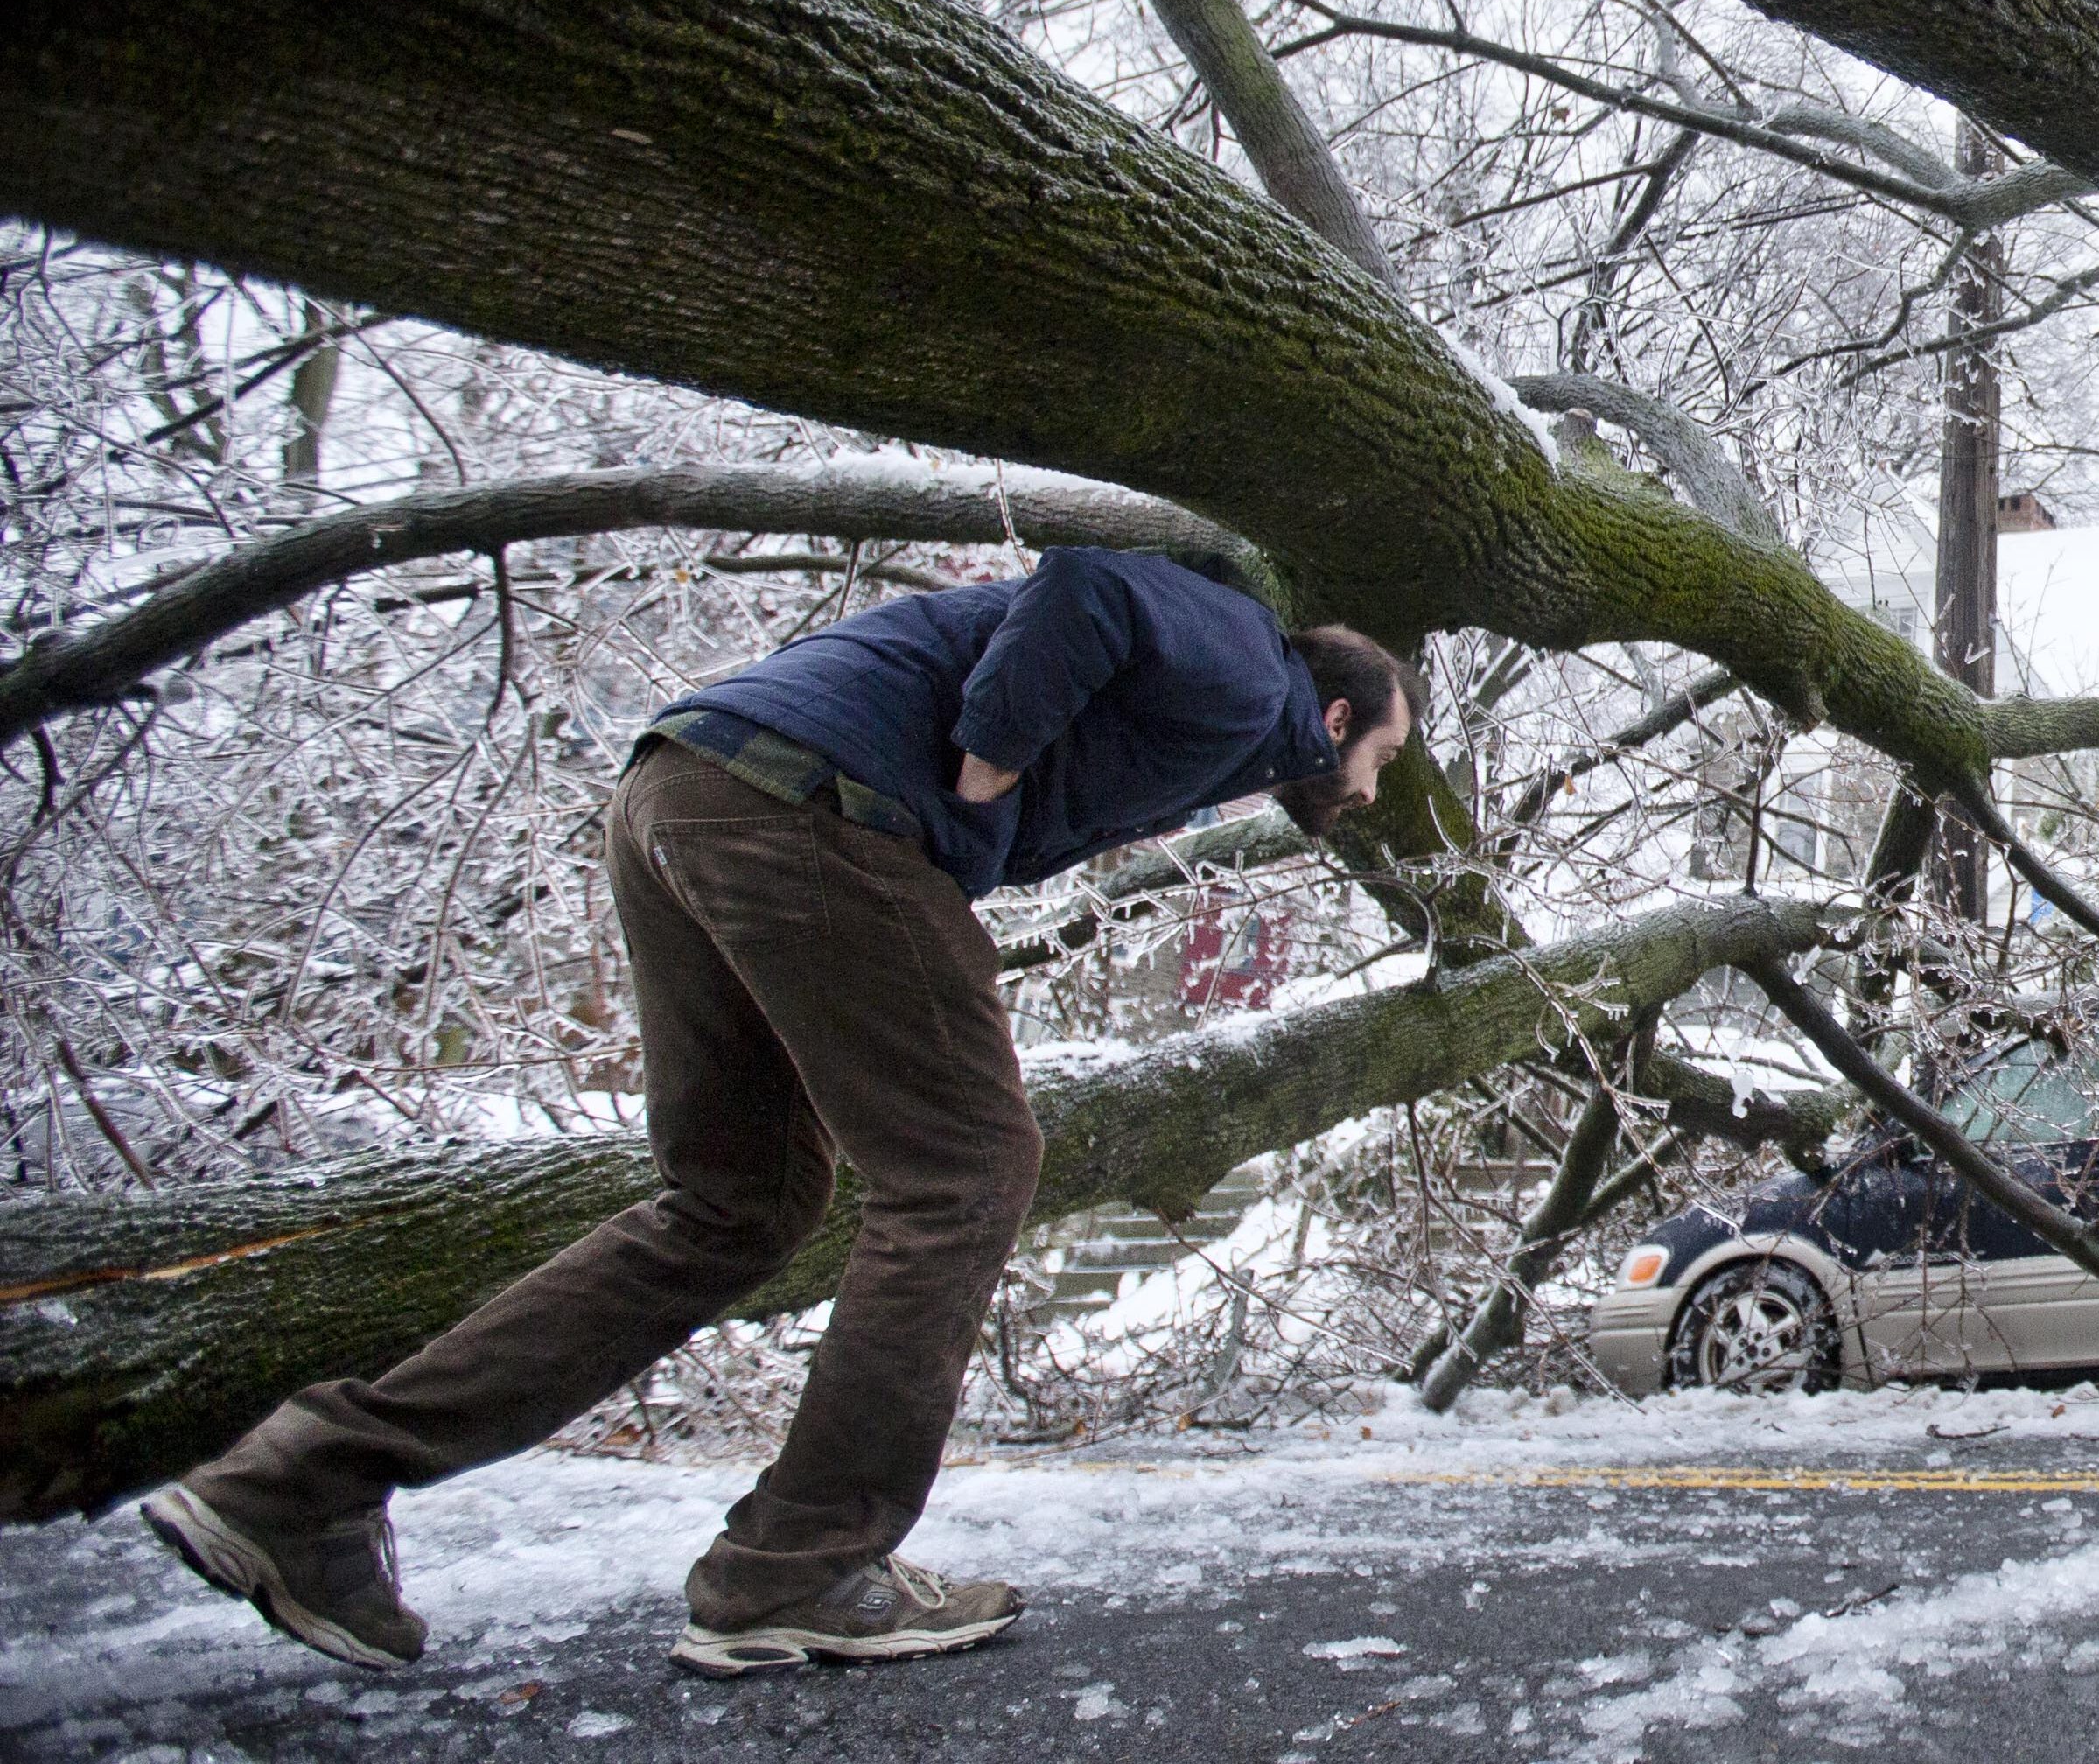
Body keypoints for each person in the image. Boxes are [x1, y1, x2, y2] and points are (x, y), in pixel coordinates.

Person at [139, 547, 1415, 1678]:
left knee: (737, 1205)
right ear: (1340, 711)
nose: (1370, 788)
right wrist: (986, 769)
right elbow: (1084, 587)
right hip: (813, 809)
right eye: (1382, 758)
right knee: (967, 1170)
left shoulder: (1217, 729)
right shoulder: (1254, 672)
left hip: (685, 793)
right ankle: (797, 1565)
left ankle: (300, 1483)